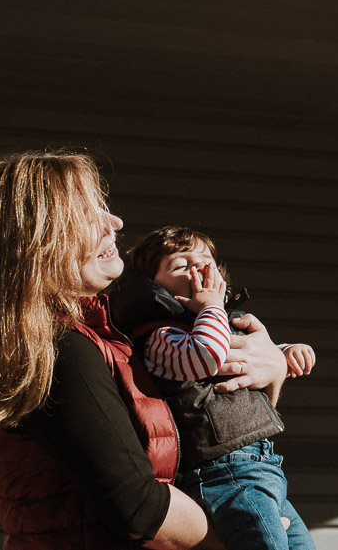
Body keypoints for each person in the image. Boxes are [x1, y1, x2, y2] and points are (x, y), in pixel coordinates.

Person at [0, 151, 289, 550]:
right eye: (89, 215)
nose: (115, 223)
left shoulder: (104, 333)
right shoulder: (60, 351)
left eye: (104, 207)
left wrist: (272, 371)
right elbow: (140, 507)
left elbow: (204, 435)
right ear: (36, 242)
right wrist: (249, 536)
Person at [111, 226, 316, 550]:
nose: (198, 270)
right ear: (153, 287)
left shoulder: (224, 320)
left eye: (205, 261)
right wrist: (210, 307)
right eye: (180, 266)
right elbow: (207, 355)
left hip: (265, 465)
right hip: (225, 474)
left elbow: (257, 354)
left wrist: (285, 352)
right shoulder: (160, 336)